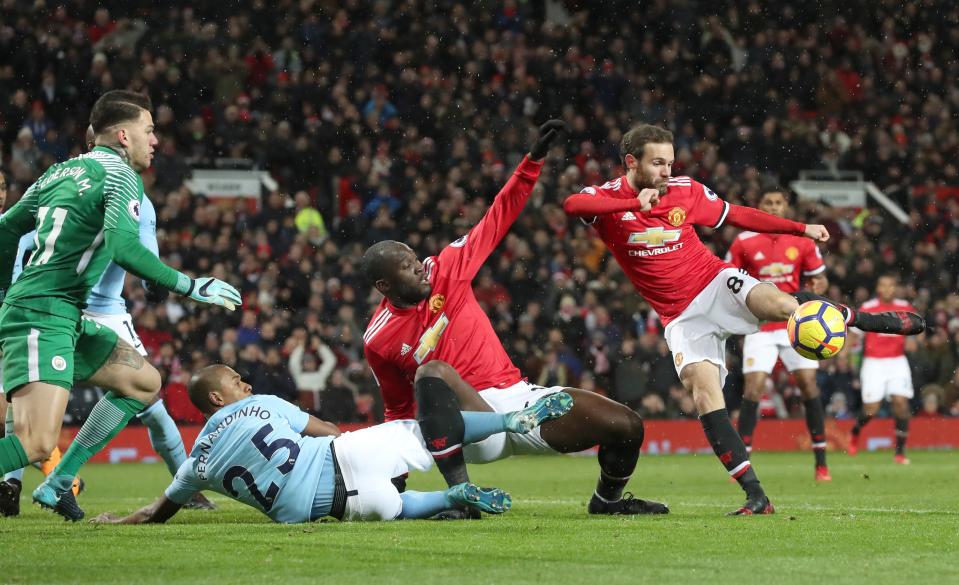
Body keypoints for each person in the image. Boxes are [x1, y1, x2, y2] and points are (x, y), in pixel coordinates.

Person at [561, 123, 924, 514]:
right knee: (704, 394)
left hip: (713, 282)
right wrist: (635, 205)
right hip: (681, 317)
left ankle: (865, 320)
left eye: (670, 162)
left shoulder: (686, 190)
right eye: (658, 163)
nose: (667, 171)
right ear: (631, 162)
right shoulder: (607, 198)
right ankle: (756, 496)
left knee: (782, 305)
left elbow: (741, 216)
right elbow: (573, 206)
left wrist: (800, 229)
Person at [361, 120, 668, 518]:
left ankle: (606, 502)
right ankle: (463, 496)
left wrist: (532, 161)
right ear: (385, 285)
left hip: (520, 399)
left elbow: (498, 215)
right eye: (406, 267)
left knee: (626, 425)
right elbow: (398, 411)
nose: (419, 268)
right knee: (432, 371)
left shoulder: (446, 269)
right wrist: (394, 483)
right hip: (469, 425)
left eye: (414, 258)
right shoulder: (378, 339)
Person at [0, 90, 242, 520]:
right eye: (149, 131)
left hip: (61, 314)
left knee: (144, 382)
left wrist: (6, 292)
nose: (155, 141)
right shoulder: (122, 178)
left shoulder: (59, 171)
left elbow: (5, 229)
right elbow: (125, 248)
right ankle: (39, 479)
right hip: (43, 313)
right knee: (37, 442)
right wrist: (191, 285)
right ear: (124, 135)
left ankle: (58, 484)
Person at [89, 365, 573, 524]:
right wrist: (359, 447)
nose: (245, 383)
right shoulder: (263, 405)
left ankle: (452, 498)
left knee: (399, 505)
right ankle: (511, 418)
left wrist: (119, 520)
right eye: (236, 380)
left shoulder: (197, 461)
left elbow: (159, 511)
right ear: (218, 396)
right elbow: (322, 429)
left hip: (334, 507)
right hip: (342, 457)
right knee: (426, 431)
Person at [724, 189, 832, 481]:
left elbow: (819, 278)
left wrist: (815, 289)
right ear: (759, 206)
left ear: (786, 206)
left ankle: (821, 463)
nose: (773, 206)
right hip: (760, 325)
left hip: (796, 324)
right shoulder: (744, 240)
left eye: (778, 202)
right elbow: (727, 279)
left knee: (809, 385)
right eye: (768, 202)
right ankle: (742, 462)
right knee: (753, 388)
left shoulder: (802, 240)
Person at [847, 274, 917, 464]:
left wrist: (913, 341)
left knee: (901, 404)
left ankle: (900, 453)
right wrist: (849, 358)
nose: (887, 289)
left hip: (897, 361)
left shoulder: (905, 307)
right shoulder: (868, 308)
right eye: (884, 285)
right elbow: (854, 336)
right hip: (874, 363)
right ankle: (855, 431)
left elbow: (915, 331)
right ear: (878, 288)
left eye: (891, 285)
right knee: (871, 410)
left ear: (896, 288)